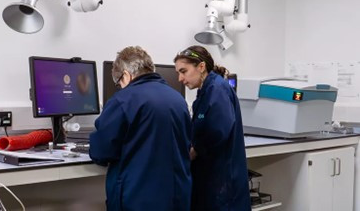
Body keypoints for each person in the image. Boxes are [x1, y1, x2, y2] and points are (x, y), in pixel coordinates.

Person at [90, 46, 192, 211]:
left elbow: (101, 151)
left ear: (126, 75)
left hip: (138, 199)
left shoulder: (123, 100)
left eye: (119, 83)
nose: (120, 87)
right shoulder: (178, 99)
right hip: (177, 197)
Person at [174, 45, 251, 211]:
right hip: (213, 178)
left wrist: (194, 150)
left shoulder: (218, 89)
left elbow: (218, 131)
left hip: (221, 181)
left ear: (201, 67)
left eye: (183, 71)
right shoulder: (207, 91)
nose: (180, 78)